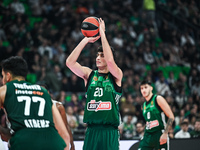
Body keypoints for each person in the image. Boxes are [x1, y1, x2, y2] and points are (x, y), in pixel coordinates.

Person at [66, 18, 123, 150]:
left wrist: (102, 33)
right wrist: (86, 39)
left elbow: (110, 62)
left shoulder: (116, 75)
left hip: (109, 131)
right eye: (97, 55)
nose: (98, 58)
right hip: (91, 130)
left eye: (102, 55)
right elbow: (70, 63)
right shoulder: (89, 74)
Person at [0, 56, 70, 150]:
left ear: (8, 76)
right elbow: (65, 135)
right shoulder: (43, 92)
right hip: (53, 144)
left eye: (3, 76)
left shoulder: (5, 90)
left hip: (24, 143)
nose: (2, 80)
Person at [138, 80, 174, 150]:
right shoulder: (144, 105)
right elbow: (149, 120)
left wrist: (165, 133)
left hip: (159, 133)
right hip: (148, 135)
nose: (143, 90)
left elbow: (171, 117)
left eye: (145, 87)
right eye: (141, 88)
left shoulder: (158, 99)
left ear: (151, 88)